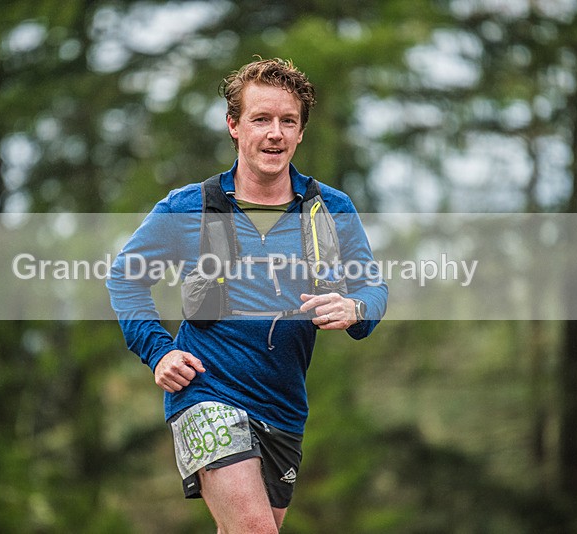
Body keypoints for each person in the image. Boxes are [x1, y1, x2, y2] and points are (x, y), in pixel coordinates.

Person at [108, 57, 387, 533]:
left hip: (283, 407)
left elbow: (372, 288)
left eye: (287, 121)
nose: (275, 133)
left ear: (300, 133)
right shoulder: (187, 207)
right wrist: (158, 353)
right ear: (234, 126)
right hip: (205, 393)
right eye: (261, 119)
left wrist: (355, 307)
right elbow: (125, 277)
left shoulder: (330, 209)